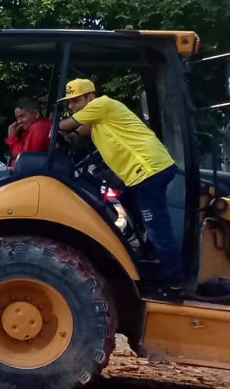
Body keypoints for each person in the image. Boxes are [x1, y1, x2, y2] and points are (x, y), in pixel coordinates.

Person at [57, 79, 183, 296]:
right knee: (129, 202)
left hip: (148, 170)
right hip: (144, 172)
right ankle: (148, 252)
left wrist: (51, 127)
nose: (72, 106)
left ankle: (173, 284)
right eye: (69, 102)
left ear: (90, 96)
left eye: (76, 100)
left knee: (157, 227)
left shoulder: (101, 104)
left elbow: (66, 126)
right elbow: (78, 134)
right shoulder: (97, 117)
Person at [4, 97, 52, 167]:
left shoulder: (37, 128)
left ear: (36, 114)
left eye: (22, 116)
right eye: (17, 118)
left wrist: (12, 138)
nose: (19, 121)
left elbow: (24, 159)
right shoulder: (45, 124)